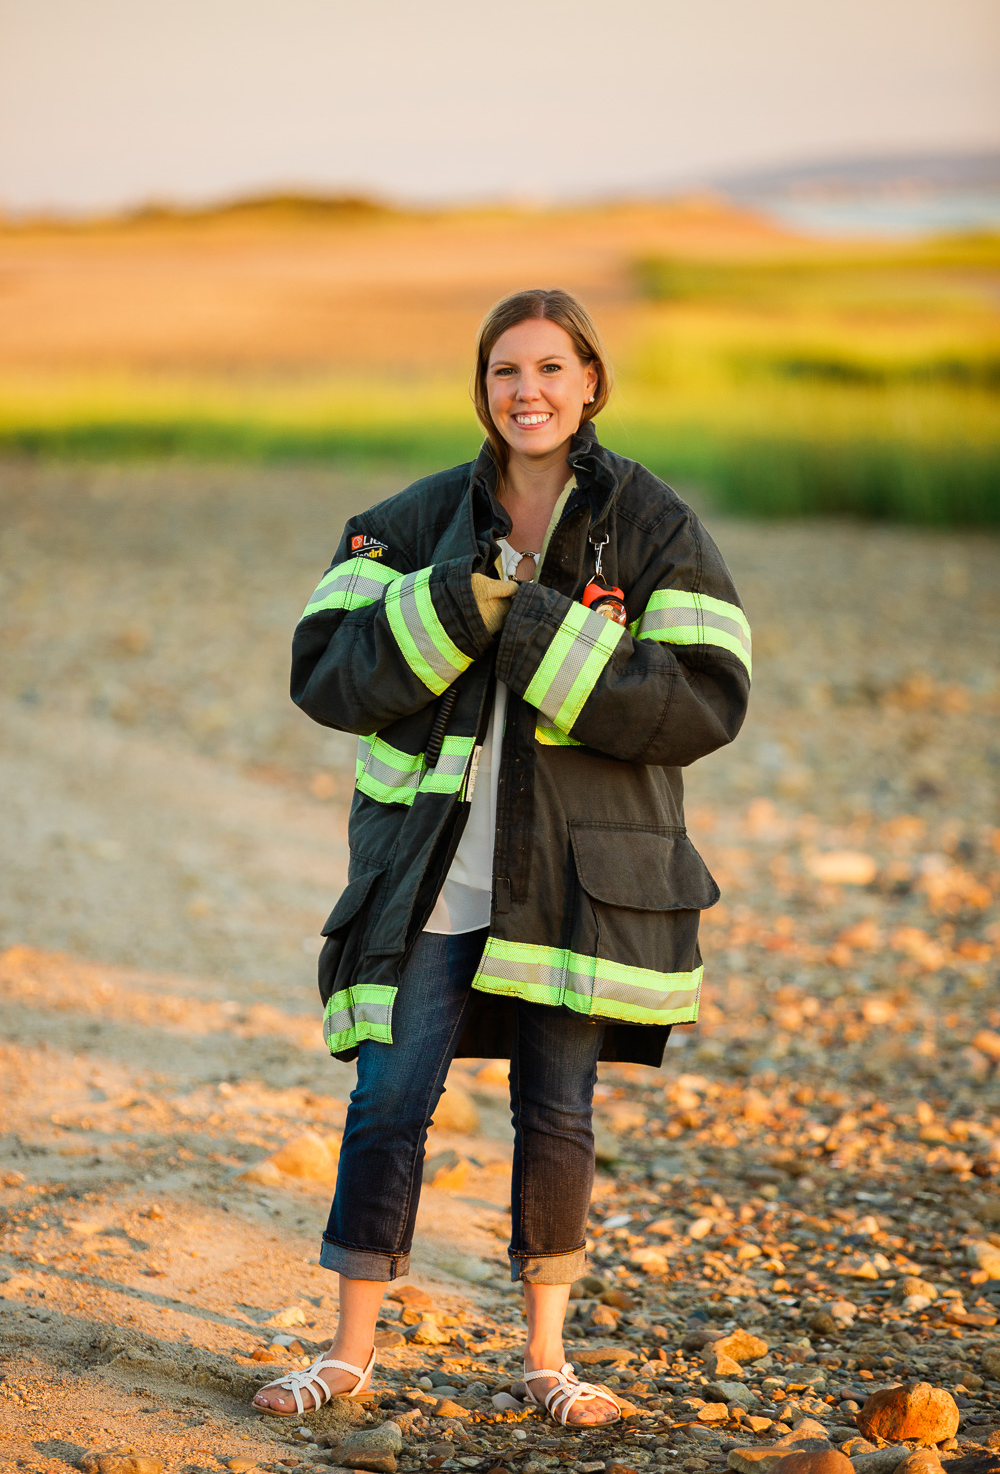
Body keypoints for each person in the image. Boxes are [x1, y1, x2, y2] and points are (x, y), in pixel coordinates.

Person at [252, 288, 750, 1426]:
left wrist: (526, 623)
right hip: (431, 876)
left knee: (556, 1111)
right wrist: (446, 602)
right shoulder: (407, 523)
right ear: (482, 391)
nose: (526, 391)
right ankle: (346, 1355)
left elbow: (703, 702)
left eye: (548, 370)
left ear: (590, 384)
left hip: (571, 884)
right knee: (387, 1100)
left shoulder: (657, 527)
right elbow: (326, 674)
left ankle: (543, 1362)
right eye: (503, 372)